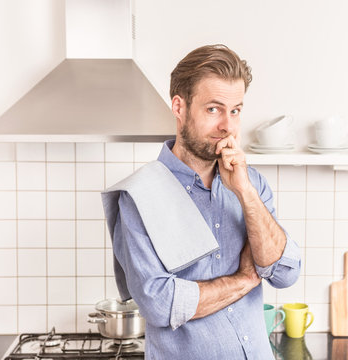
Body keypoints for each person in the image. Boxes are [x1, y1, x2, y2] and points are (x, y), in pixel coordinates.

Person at [107, 44, 301, 359]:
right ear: (179, 107)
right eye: (214, 109)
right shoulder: (140, 198)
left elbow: (284, 273)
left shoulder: (251, 184)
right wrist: (245, 279)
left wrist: (245, 193)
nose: (228, 125)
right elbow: (161, 304)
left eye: (235, 110)